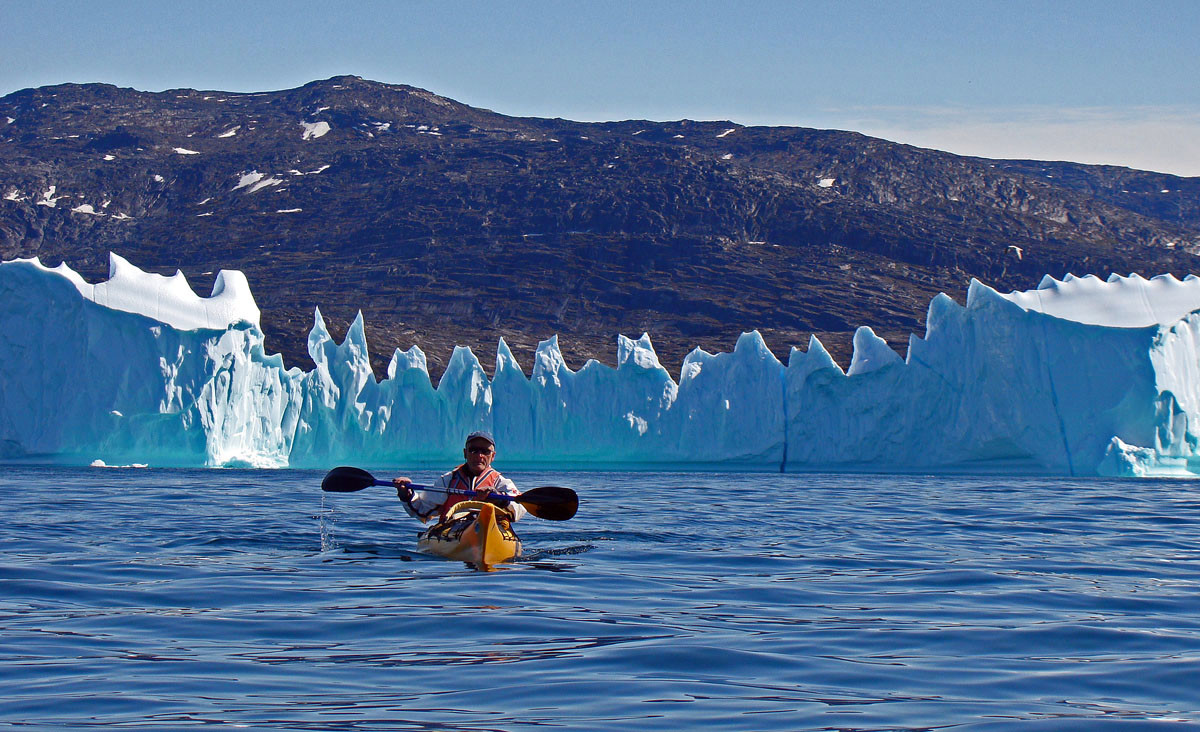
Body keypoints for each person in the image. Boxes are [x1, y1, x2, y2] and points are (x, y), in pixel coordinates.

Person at [393, 431, 527, 523]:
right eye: (474, 450)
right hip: (454, 531)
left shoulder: (501, 482)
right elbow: (421, 510)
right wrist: (406, 493)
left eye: (485, 451)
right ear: (465, 453)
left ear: (492, 456)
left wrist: (499, 498)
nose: (479, 456)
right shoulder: (448, 480)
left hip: (492, 529)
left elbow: (519, 508)